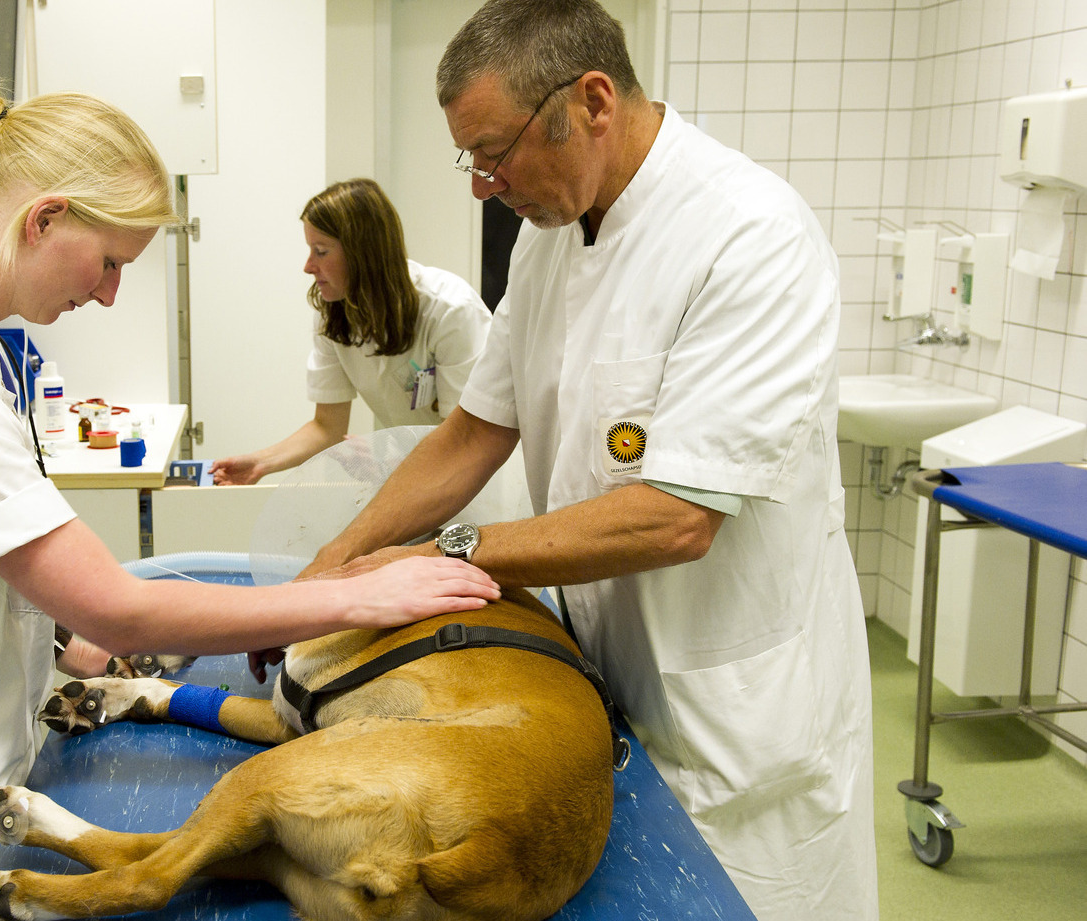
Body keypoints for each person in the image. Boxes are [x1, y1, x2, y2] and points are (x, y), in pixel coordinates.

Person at [0, 69, 500, 921]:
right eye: (111, 262)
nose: (110, 292)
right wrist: (351, 593)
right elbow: (116, 605)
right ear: (44, 219)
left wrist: (67, 642)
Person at [299, 2, 878, 919]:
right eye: (470, 159)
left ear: (594, 101)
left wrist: (442, 554)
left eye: (496, 152)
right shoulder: (546, 239)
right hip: (600, 674)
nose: (484, 185)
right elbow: (476, 431)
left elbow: (675, 515)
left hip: (734, 708)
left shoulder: (750, 237)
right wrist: (334, 567)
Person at [208, 178, 490, 485]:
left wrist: (390, 461)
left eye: (321, 251)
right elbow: (326, 427)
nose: (308, 266)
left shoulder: (450, 311)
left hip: (477, 480)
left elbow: (464, 438)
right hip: (421, 477)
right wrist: (260, 463)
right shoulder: (335, 314)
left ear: (362, 253)